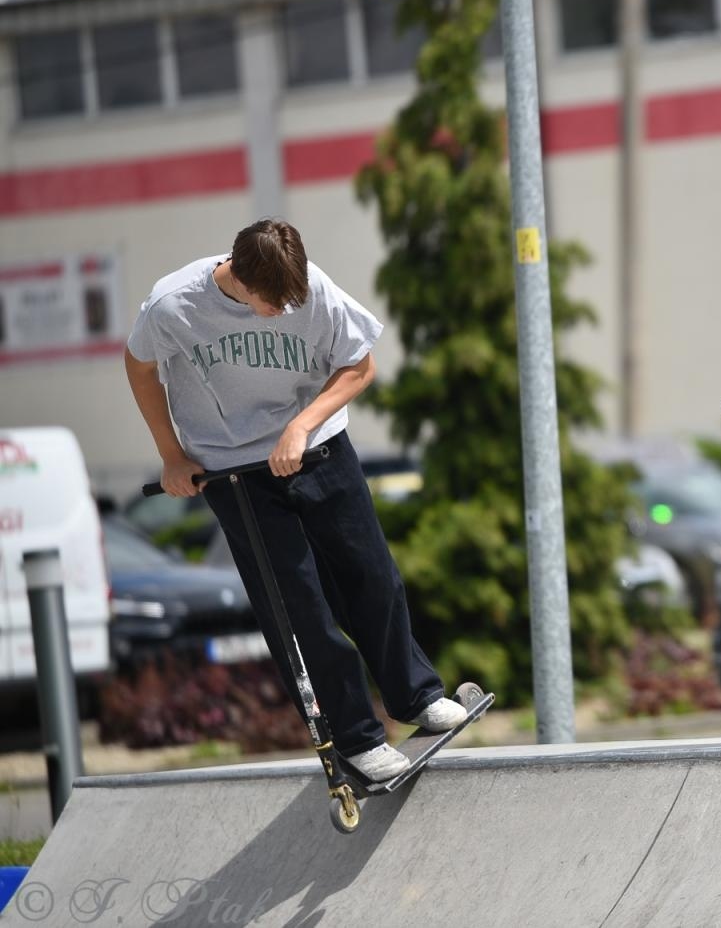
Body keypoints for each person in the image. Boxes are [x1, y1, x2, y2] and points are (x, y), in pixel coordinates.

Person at [125, 219, 466, 778]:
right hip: (234, 474)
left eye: (292, 299)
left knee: (372, 576)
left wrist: (302, 426)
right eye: (271, 303)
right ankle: (357, 738)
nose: (284, 311)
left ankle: (416, 697)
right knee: (300, 607)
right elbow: (139, 368)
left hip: (321, 452)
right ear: (237, 276)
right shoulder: (172, 306)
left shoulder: (314, 289)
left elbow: (360, 366)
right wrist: (171, 454)